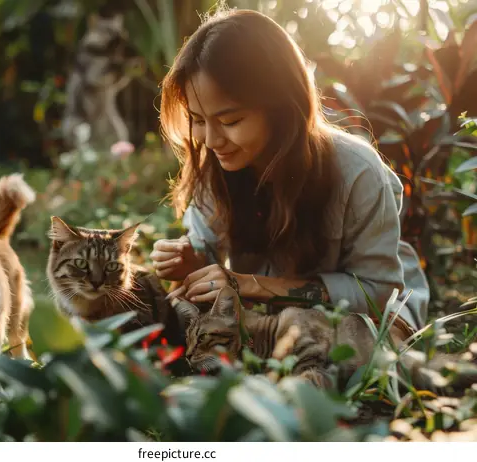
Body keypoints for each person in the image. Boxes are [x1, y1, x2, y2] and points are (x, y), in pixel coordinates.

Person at [150, 5, 429, 336]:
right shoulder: (213, 168)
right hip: (270, 317)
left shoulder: (357, 171)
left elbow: (377, 292)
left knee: (340, 347)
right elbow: (210, 263)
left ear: (282, 107)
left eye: (230, 121)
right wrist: (191, 264)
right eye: (197, 120)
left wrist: (253, 285)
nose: (210, 140)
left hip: (374, 314)